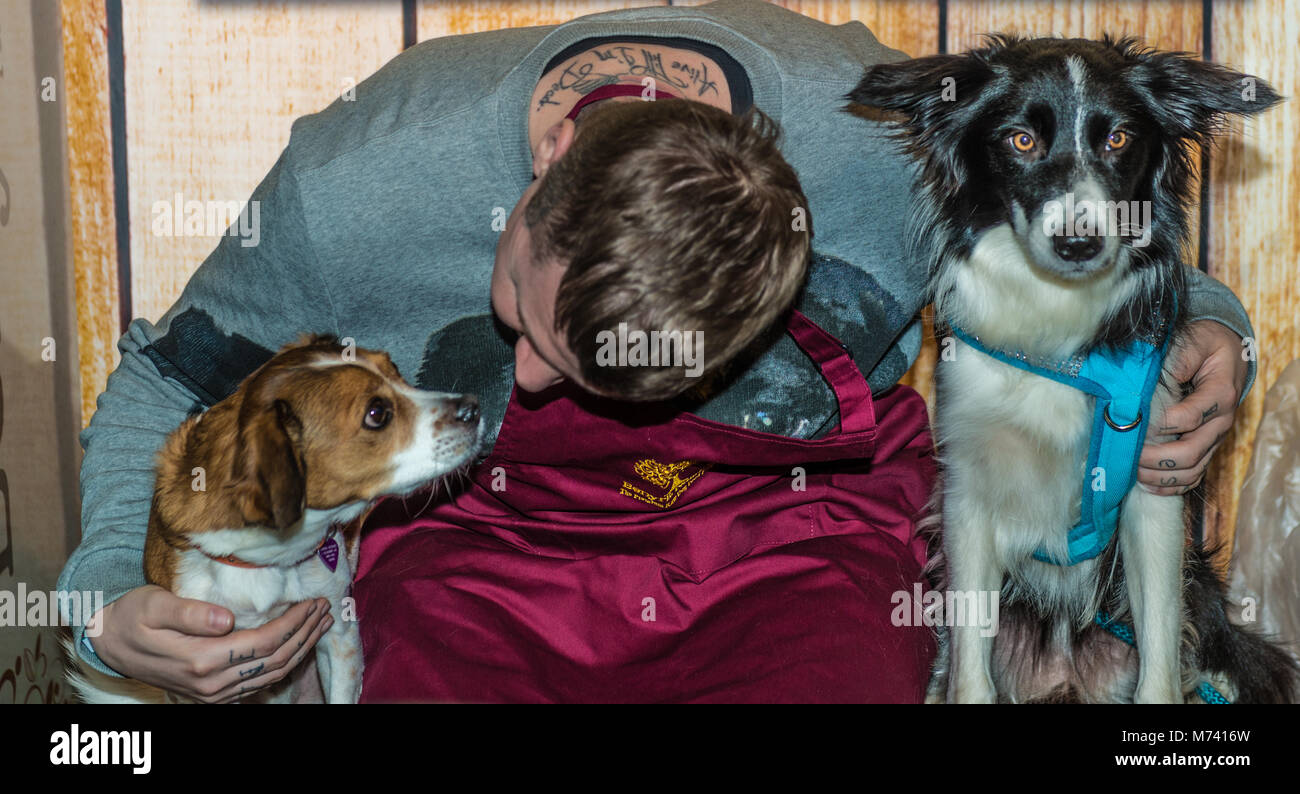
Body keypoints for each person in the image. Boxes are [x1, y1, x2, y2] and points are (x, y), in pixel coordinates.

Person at [60, 0, 1255, 702]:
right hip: (484, 537)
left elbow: (1106, 218)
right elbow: (165, 382)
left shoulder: (891, 147)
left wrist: (1208, 322)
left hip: (795, 524)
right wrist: (105, 594)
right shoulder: (358, 181)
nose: (521, 377)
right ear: (536, 188)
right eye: (524, 323)